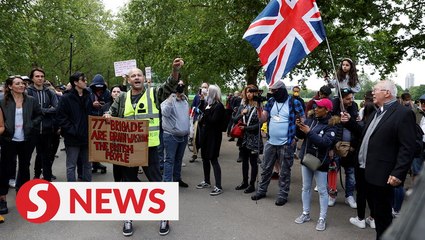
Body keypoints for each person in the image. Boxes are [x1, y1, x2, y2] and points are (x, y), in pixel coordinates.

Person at [104, 58, 183, 237]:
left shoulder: (154, 94)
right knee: (129, 184)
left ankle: (165, 217)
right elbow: (112, 114)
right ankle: (128, 217)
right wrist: (108, 115)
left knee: (156, 182)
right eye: (133, 75)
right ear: (128, 80)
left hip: (150, 147)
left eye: (139, 75)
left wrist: (175, 70)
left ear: (142, 78)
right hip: (128, 149)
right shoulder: (122, 97)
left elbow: (169, 86)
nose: (137, 77)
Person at [357, 80, 416, 239]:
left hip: (384, 175)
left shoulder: (403, 113)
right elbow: (368, 135)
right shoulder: (378, 111)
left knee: (383, 217)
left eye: (375, 90)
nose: (372, 93)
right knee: (376, 213)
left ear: (387, 93)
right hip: (367, 172)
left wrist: (398, 173)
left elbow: (408, 146)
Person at [251, 80, 305, 206]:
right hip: (271, 141)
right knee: (266, 168)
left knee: (285, 170)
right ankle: (262, 190)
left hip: (287, 143)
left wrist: (296, 138)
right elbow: (263, 118)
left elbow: (303, 120)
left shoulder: (293, 102)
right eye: (271, 91)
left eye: (275, 91)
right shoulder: (271, 102)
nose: (272, 93)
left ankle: (282, 195)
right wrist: (259, 107)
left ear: (282, 90)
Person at [0, 75, 42, 214]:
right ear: (10, 86)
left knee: (24, 167)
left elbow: (39, 115)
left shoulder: (31, 100)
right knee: (6, 168)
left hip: (27, 139)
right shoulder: (2, 101)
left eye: (23, 83)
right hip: (8, 139)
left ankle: (23, 196)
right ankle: (2, 199)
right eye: (17, 83)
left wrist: (31, 124)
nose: (21, 85)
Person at [294, 98, 336, 231]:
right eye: (315, 106)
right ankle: (305, 214)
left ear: (327, 110)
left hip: (320, 163)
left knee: (323, 191)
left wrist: (308, 132)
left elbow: (324, 143)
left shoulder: (332, 125)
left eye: (319, 107)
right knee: (305, 188)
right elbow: (301, 136)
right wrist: (299, 127)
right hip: (307, 159)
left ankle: (322, 218)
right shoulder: (311, 120)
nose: (316, 109)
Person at [342, 101, 377, 229]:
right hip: (374, 164)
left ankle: (361, 218)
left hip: (362, 163)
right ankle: (373, 218)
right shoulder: (379, 125)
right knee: (373, 192)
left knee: (362, 191)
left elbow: (357, 133)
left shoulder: (363, 125)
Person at [56, 72, 92, 182]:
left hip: (87, 136)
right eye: (83, 79)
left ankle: (87, 188)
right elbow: (61, 117)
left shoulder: (88, 96)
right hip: (72, 137)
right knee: (71, 165)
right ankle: (72, 189)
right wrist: (72, 130)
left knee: (87, 165)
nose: (85, 81)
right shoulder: (66, 98)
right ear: (76, 82)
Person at [328, 88, 358, 209]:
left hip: (350, 147)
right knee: (333, 172)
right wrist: (331, 147)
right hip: (336, 146)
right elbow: (329, 127)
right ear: (341, 98)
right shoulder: (333, 106)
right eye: (347, 99)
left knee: (351, 173)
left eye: (352, 98)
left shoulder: (354, 106)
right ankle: (332, 195)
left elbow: (356, 126)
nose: (350, 100)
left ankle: (349, 196)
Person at [26, 68, 58, 181]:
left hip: (47, 129)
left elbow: (56, 108)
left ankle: (47, 179)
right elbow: (27, 110)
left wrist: (41, 110)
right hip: (32, 129)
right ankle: (31, 179)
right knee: (26, 158)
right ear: (32, 78)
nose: (40, 78)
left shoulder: (50, 92)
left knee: (46, 156)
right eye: (37, 76)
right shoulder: (28, 92)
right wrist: (46, 110)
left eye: (42, 76)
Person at [196, 84, 226, 196]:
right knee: (205, 158)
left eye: (208, 91)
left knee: (213, 159)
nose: (206, 93)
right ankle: (207, 180)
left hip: (214, 136)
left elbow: (213, 121)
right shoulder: (209, 105)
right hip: (205, 135)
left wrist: (207, 111)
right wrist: (202, 103)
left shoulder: (218, 107)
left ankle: (218, 185)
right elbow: (202, 116)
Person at [233, 84, 263, 194]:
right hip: (244, 138)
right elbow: (234, 119)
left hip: (254, 137)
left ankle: (252, 184)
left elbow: (260, 123)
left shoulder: (259, 106)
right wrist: (241, 114)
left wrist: (247, 128)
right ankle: (244, 182)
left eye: (251, 91)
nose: (249, 94)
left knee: (253, 162)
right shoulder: (243, 105)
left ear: (255, 93)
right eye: (247, 92)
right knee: (244, 161)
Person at [160, 80, 190, 187]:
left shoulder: (184, 101)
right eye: (178, 85)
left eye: (182, 85)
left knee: (179, 159)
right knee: (169, 159)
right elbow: (165, 113)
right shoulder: (166, 102)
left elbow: (186, 117)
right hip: (171, 136)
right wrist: (171, 97)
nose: (180, 88)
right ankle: (167, 182)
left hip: (183, 136)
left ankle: (177, 179)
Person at [88, 74, 112, 174]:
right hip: (90, 120)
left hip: (102, 121)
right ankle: (91, 163)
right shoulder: (88, 92)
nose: (99, 90)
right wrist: (91, 104)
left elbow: (109, 104)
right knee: (90, 143)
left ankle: (96, 162)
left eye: (101, 87)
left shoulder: (107, 93)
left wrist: (104, 107)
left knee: (99, 144)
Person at [189, 82, 209, 162]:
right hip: (197, 119)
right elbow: (192, 106)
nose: (204, 88)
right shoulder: (197, 96)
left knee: (205, 138)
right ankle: (194, 153)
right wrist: (195, 108)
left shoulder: (210, 97)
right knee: (195, 137)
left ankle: (205, 154)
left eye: (206, 87)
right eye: (203, 87)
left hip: (206, 120)